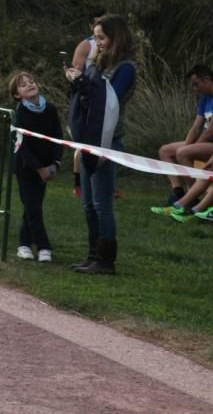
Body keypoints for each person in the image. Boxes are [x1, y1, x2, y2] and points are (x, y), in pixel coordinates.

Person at [64, 14, 136, 276]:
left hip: (108, 140)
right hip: (88, 139)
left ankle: (106, 259)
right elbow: (87, 97)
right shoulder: (97, 64)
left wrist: (83, 82)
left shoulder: (125, 68)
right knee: (88, 203)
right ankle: (93, 254)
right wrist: (76, 81)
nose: (98, 43)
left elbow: (109, 101)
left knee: (102, 203)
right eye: (95, 38)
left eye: (102, 37)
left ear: (116, 37)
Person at [9, 71, 63, 263]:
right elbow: (21, 145)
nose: (30, 85)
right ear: (17, 94)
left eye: (32, 81)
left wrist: (55, 164)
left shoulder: (50, 109)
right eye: (24, 85)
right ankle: (44, 246)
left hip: (47, 167)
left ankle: (23, 244)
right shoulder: (20, 114)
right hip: (26, 168)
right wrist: (38, 168)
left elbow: (57, 136)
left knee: (32, 207)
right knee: (33, 207)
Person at [156, 64, 213, 205]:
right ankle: (178, 192)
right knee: (165, 151)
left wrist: (190, 148)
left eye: (196, 84)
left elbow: (211, 131)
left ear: (207, 79)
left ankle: (192, 194)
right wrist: (189, 144)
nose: (195, 89)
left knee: (183, 153)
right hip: (205, 142)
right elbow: (196, 127)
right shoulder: (205, 98)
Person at [68, 9, 105, 197]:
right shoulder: (86, 45)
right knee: (81, 143)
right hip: (85, 96)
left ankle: (103, 184)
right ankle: (78, 182)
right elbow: (75, 71)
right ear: (90, 26)